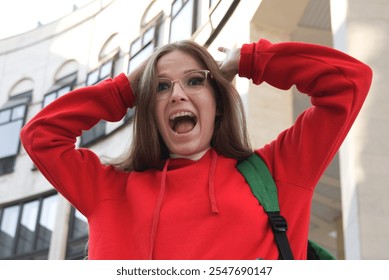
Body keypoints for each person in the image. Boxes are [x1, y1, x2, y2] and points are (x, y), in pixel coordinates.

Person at [20, 38, 372, 260]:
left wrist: (248, 60)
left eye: (194, 80)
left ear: (217, 101)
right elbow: (41, 136)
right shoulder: (108, 190)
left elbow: (347, 82)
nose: (176, 94)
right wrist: (126, 88)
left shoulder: (279, 172)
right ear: (150, 111)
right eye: (160, 87)